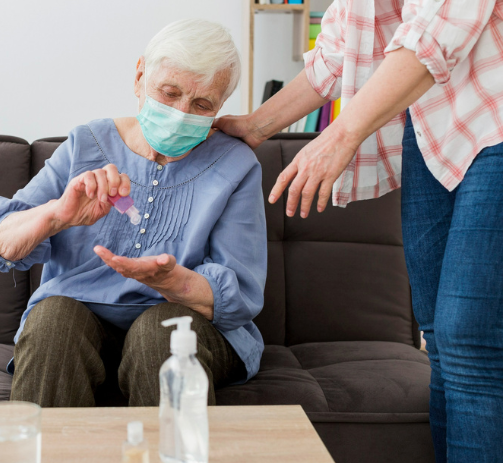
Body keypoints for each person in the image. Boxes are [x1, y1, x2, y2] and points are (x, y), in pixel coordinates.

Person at [215, 1, 503, 461]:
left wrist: (341, 134)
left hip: (495, 120)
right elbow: (338, 49)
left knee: (468, 339)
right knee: (442, 345)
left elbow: (434, 34)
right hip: (431, 128)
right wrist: (255, 126)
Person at [0, 19, 266, 408]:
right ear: (140, 77)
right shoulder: (85, 144)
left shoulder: (235, 164)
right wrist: (57, 214)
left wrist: (176, 282)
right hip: (78, 323)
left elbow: (241, 297)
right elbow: (2, 242)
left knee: (160, 331)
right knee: (53, 321)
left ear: (220, 107)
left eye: (201, 104)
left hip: (184, 326)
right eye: (169, 92)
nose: (180, 113)